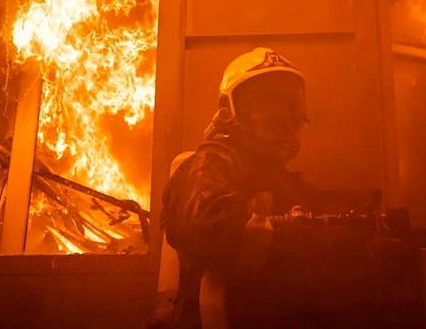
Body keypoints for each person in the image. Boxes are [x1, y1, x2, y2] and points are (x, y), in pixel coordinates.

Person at [157, 47, 387, 329]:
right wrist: (281, 230)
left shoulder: (272, 173)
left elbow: (314, 203)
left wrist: (368, 215)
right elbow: (206, 229)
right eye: (266, 105)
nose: (282, 120)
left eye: (290, 105)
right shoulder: (210, 164)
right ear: (228, 112)